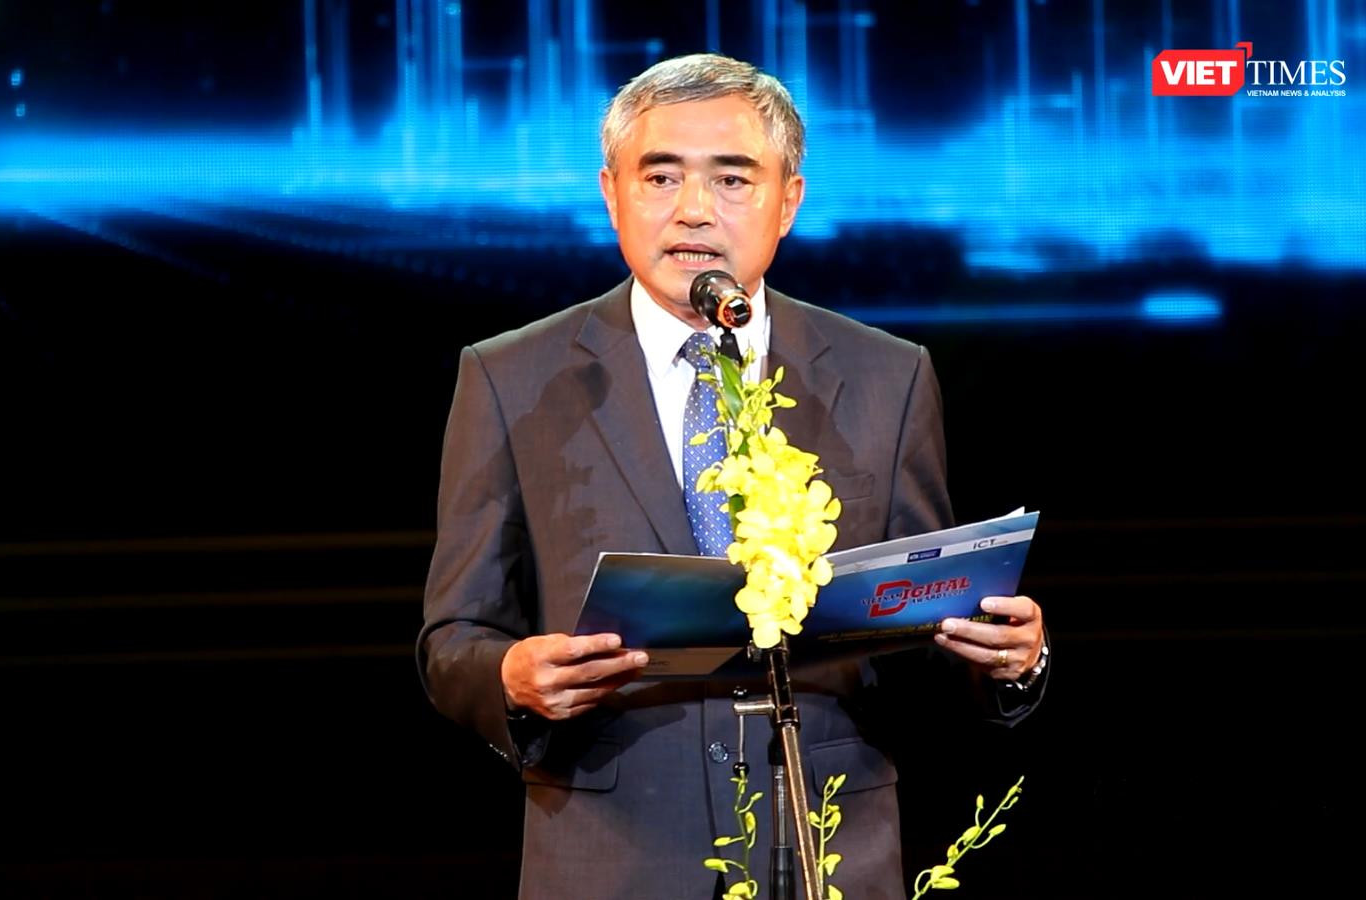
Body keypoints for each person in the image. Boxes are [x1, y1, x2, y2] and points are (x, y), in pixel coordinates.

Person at [418, 53, 1048, 900]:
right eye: (661, 177)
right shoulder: (512, 377)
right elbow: (453, 638)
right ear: (611, 193)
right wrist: (510, 679)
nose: (693, 209)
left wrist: (1005, 658)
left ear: (789, 200)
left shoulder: (886, 376)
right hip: (613, 862)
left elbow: (917, 636)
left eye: (731, 179)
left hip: (828, 852)